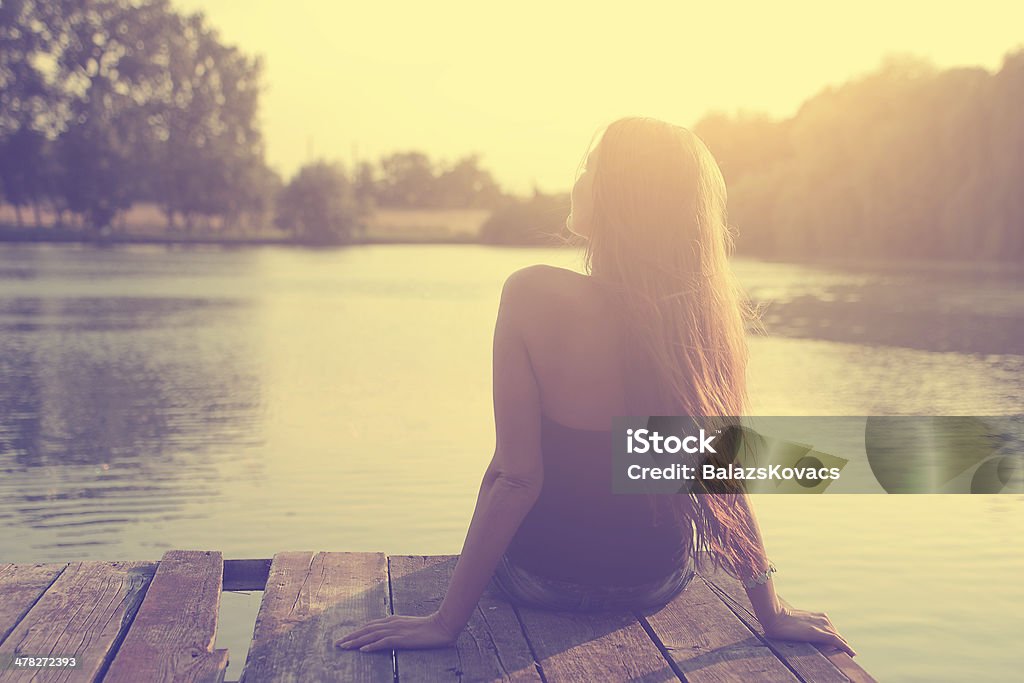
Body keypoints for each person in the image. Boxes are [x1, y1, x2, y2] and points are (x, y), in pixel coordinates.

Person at [336, 116, 855, 657]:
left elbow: (515, 478)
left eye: (591, 168)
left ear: (617, 196)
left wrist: (444, 623)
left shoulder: (532, 293)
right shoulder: (697, 316)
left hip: (541, 578)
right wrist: (770, 610)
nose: (578, 180)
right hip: (653, 582)